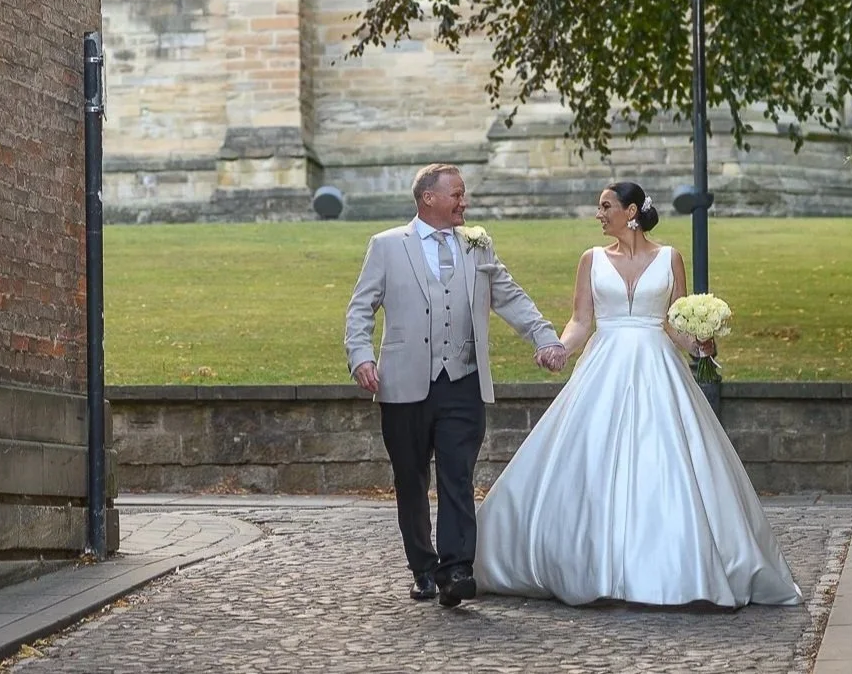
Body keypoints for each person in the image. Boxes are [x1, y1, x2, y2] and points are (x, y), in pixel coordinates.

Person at [474, 181, 801, 608]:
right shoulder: (590, 260)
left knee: (667, 461)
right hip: (603, 365)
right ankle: (586, 563)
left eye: (605, 206)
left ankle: (675, 569)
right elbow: (580, 320)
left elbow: (674, 322)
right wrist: (559, 348)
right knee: (591, 460)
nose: (599, 214)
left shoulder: (670, 259)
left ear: (630, 212)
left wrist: (703, 342)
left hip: (657, 367)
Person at [343, 164, 568, 608]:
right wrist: (361, 356)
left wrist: (545, 337)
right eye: (457, 194)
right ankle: (423, 569)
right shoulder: (387, 246)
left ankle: (457, 568)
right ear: (429, 198)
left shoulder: (477, 244)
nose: (464, 202)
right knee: (410, 479)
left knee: (457, 475)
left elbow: (509, 294)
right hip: (404, 383)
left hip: (463, 379)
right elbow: (360, 308)